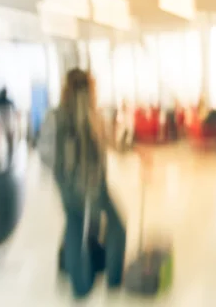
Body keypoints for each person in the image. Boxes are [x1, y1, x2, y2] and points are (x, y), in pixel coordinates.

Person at [47, 69, 150, 298]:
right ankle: (113, 279)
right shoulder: (89, 115)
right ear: (86, 89)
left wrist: (62, 175)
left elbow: (47, 152)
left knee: (75, 228)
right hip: (91, 185)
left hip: (69, 186)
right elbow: (110, 141)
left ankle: (80, 286)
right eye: (94, 88)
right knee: (115, 226)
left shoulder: (56, 116)